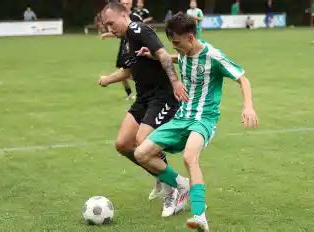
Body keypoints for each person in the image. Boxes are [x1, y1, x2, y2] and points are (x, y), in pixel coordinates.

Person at [134, 13, 258, 231]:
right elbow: (178, 57)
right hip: (182, 117)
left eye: (177, 43)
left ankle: (200, 215)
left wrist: (248, 106)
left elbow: (243, 79)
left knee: (190, 156)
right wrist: (153, 56)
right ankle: (182, 185)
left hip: (204, 118)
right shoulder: (184, 51)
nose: (175, 47)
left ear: (190, 38)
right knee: (141, 154)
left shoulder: (214, 56)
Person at [99, 2, 189, 217]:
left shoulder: (139, 29)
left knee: (142, 141)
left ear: (124, 15)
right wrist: (107, 80)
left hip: (162, 96)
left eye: (111, 23)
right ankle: (161, 175)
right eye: (106, 25)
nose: (110, 28)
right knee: (122, 144)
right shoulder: (125, 40)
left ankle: (177, 186)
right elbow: (128, 71)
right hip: (144, 98)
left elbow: (164, 55)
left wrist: (175, 83)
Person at [101, 0, 142, 100]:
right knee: (122, 69)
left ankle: (144, 89)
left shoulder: (136, 18)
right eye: (123, 4)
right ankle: (129, 94)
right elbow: (118, 31)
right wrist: (108, 34)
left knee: (130, 73)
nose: (125, 5)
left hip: (134, 48)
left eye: (127, 4)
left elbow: (141, 32)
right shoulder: (117, 17)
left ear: (131, 5)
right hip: (124, 47)